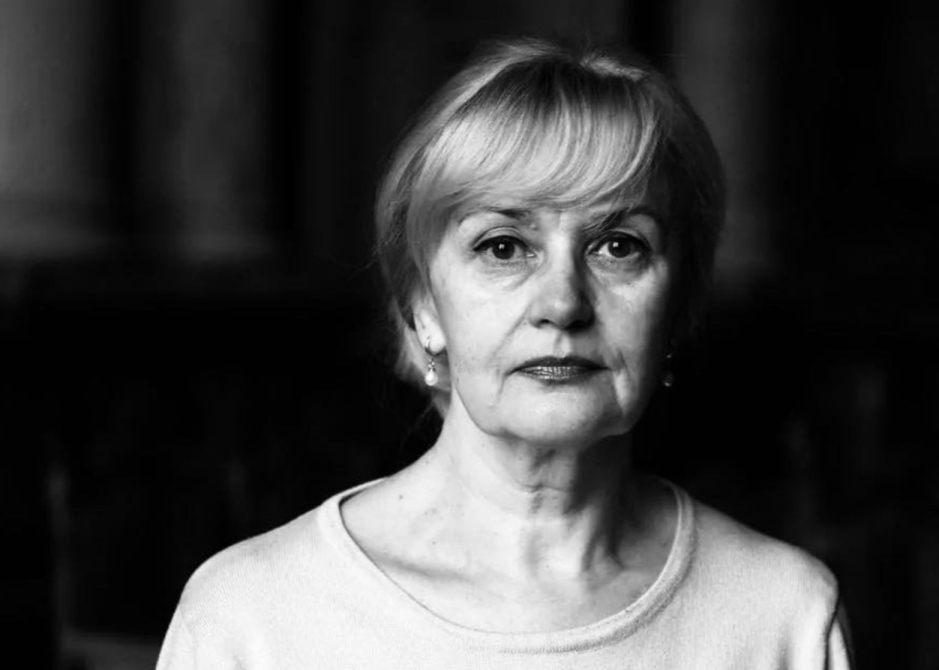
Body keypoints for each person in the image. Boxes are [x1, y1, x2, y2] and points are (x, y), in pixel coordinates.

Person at [157, 37, 853, 669]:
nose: (563, 303)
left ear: (675, 308)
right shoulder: (252, 617)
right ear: (424, 307)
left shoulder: (780, 615)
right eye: (503, 247)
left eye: (618, 246)